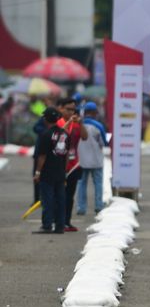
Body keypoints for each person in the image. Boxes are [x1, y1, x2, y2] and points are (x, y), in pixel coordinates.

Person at [33, 107, 69, 234]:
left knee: (47, 200)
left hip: (47, 173)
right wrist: (64, 171)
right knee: (60, 200)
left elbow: (42, 156)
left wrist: (37, 172)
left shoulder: (45, 135)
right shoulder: (65, 134)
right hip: (60, 172)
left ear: (46, 119)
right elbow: (66, 155)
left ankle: (47, 225)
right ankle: (60, 226)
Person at [56, 97, 88, 231]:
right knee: (59, 195)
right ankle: (58, 221)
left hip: (74, 164)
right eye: (68, 109)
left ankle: (67, 221)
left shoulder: (76, 124)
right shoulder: (58, 122)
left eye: (73, 110)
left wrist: (81, 124)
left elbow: (85, 137)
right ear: (61, 109)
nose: (71, 112)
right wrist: (69, 122)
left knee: (70, 195)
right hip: (59, 164)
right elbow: (58, 136)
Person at [76, 102, 106, 215]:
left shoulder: (78, 125)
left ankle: (81, 208)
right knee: (98, 183)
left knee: (81, 184)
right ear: (94, 113)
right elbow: (103, 142)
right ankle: (98, 205)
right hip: (96, 160)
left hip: (81, 160)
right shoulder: (99, 126)